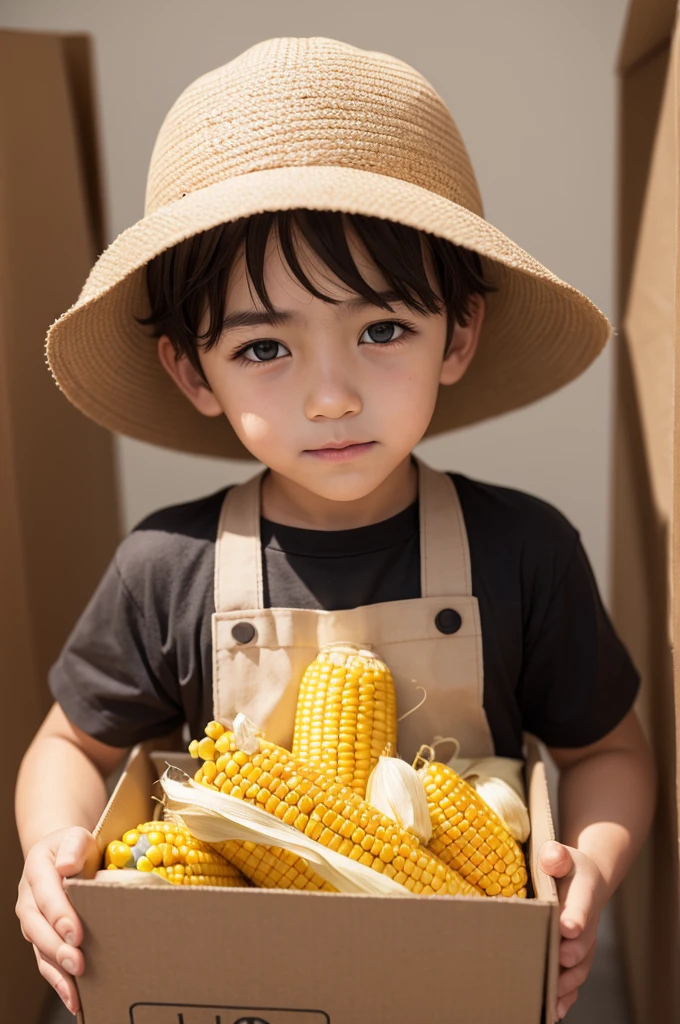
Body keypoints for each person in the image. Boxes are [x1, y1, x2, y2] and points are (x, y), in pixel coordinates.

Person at [14, 37, 654, 1021]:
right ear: (193, 372)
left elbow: (610, 752)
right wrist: (52, 848)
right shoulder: (165, 567)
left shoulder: (524, 552)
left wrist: (590, 877)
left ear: (459, 333)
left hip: (453, 986)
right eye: (263, 344)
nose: (328, 394)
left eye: (382, 329)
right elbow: (70, 746)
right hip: (231, 989)